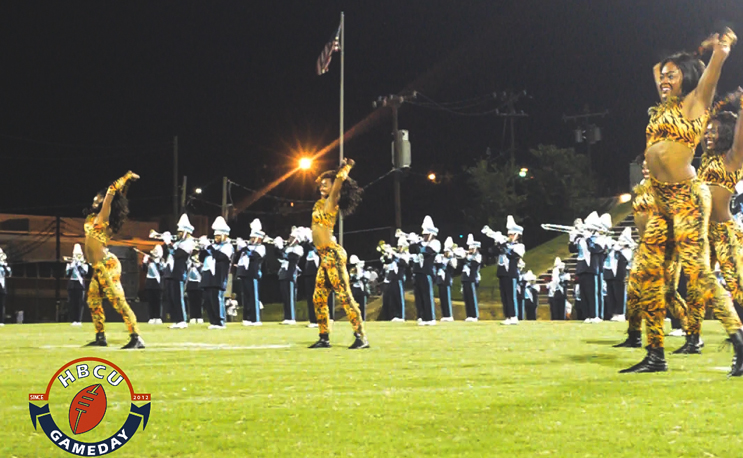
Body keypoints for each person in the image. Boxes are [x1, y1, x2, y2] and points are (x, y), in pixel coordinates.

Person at [622, 29, 743, 375]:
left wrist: (717, 50)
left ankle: (738, 339)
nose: (663, 79)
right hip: (660, 200)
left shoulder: (696, 101)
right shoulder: (663, 109)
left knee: (699, 274)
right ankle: (655, 354)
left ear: (685, 79)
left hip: (688, 197)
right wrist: (684, 54)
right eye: (663, 75)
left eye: (671, 75)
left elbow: (713, 69)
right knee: (646, 274)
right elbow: (657, 67)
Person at [308, 159, 368, 349]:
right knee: (318, 297)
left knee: (344, 297)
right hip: (323, 257)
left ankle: (361, 337)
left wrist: (345, 168)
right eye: (321, 184)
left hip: (332, 256)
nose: (322, 186)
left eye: (326, 184)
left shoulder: (332, 201)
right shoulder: (320, 203)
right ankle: (324, 337)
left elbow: (339, 182)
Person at [83, 171, 144, 349]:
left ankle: (136, 337)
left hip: (107, 265)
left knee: (118, 301)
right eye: (95, 199)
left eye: (98, 199)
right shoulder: (91, 217)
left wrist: (126, 178)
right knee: (93, 300)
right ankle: (100, 337)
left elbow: (111, 190)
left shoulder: (103, 216)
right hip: (98, 267)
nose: (95, 201)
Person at [487, 215, 525, 325]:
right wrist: (497, 242)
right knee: (504, 296)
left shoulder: (520, 246)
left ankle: (514, 316)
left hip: (511, 273)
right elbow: (492, 251)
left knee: (510, 295)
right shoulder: (505, 244)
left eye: (512, 234)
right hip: (502, 272)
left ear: (517, 235)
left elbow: (511, 255)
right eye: (508, 234)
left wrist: (503, 244)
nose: (509, 236)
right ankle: (507, 316)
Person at [161, 214, 196, 329]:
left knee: (178, 296)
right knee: (171, 297)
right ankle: (175, 319)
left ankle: (182, 320)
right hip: (171, 272)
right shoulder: (178, 243)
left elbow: (177, 254)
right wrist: (169, 244)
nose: (179, 234)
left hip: (179, 272)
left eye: (181, 232)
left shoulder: (189, 242)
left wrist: (168, 243)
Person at [199, 216, 234, 330]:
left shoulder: (228, 246)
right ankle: (213, 320)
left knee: (216, 298)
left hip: (219, 275)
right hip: (208, 275)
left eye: (218, 236)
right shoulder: (213, 246)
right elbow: (201, 258)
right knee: (208, 299)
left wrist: (209, 247)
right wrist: (202, 248)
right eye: (215, 236)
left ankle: (220, 321)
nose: (216, 238)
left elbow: (221, 257)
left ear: (224, 235)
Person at [569, 212, 605, 324]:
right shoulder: (582, 239)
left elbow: (595, 249)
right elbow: (572, 250)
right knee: (584, 293)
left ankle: (595, 315)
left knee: (592, 293)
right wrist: (572, 239)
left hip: (592, 268)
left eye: (589, 229)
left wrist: (588, 238)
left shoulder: (600, 239)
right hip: (581, 267)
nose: (587, 230)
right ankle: (587, 315)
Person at [407, 217, 441, 326]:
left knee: (427, 295)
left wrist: (419, 243)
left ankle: (430, 317)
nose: (424, 236)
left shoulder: (436, 243)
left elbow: (427, 252)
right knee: (419, 296)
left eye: (426, 235)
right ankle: (421, 316)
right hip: (417, 272)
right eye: (423, 235)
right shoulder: (421, 243)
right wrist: (413, 242)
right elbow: (412, 250)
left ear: (431, 234)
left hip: (427, 272)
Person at [236, 218, 267, 326]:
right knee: (246, 297)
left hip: (253, 274)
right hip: (244, 273)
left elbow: (254, 256)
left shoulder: (261, 247)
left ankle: (255, 319)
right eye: (251, 237)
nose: (251, 239)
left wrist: (244, 248)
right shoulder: (248, 247)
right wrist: (241, 248)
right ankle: (247, 318)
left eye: (253, 238)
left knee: (253, 296)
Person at [275, 227, 305, 325]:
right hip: (283, 273)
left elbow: (291, 258)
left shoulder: (298, 248)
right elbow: (280, 256)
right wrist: (277, 248)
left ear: (296, 239)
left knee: (290, 295)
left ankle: (291, 317)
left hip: (291, 273)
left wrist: (281, 249)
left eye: (291, 237)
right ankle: (287, 317)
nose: (289, 239)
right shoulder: (287, 248)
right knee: (285, 296)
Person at [605, 227, 634, 322]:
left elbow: (626, 259)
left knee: (620, 293)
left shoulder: (628, 251)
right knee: (612, 293)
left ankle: (621, 313)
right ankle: (614, 312)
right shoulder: (615, 250)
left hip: (621, 274)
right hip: (611, 273)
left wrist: (620, 248)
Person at [434, 237, 458, 322]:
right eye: (445, 251)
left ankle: (449, 315)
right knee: (442, 298)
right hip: (440, 280)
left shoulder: (452, 259)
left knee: (447, 298)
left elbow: (454, 266)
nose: (446, 253)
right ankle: (444, 314)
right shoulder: (440, 257)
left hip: (447, 280)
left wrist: (452, 256)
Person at [66, 243, 89, 326]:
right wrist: (72, 266)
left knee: (79, 303)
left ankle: (79, 320)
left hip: (80, 285)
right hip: (72, 284)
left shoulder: (84, 264)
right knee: (72, 303)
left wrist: (79, 265)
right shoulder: (69, 263)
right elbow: (67, 274)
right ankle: (73, 320)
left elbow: (84, 273)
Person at [141, 245, 165, 325]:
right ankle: (151, 317)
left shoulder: (161, 261)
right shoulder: (149, 261)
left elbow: (162, 272)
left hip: (158, 284)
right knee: (150, 301)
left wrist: (157, 262)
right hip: (149, 283)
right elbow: (144, 269)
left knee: (158, 301)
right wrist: (144, 261)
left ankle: (158, 317)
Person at [461, 234, 481, 322]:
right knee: (466, 297)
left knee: (472, 297)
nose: (470, 250)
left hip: (472, 278)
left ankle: (474, 315)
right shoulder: (467, 256)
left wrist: (467, 256)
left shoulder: (477, 256)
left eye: (472, 249)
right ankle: (469, 314)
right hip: (465, 278)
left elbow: (474, 264)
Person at [349, 255, 370, 321]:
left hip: (362, 289)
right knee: (354, 305)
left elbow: (365, 280)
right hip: (355, 289)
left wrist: (360, 275)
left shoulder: (365, 272)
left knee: (362, 306)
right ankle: (354, 319)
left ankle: (363, 319)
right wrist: (357, 275)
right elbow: (352, 279)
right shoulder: (353, 270)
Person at [186, 250, 204, 324]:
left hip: (199, 284)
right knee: (191, 302)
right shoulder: (189, 263)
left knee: (199, 302)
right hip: (191, 284)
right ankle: (192, 316)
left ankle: (199, 316)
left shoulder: (201, 264)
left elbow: (202, 271)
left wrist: (198, 264)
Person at [0, 248, 11, 326]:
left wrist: (4, 265)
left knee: (1, 305)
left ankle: (1, 321)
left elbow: (9, 273)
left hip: (2, 287)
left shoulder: (4, 266)